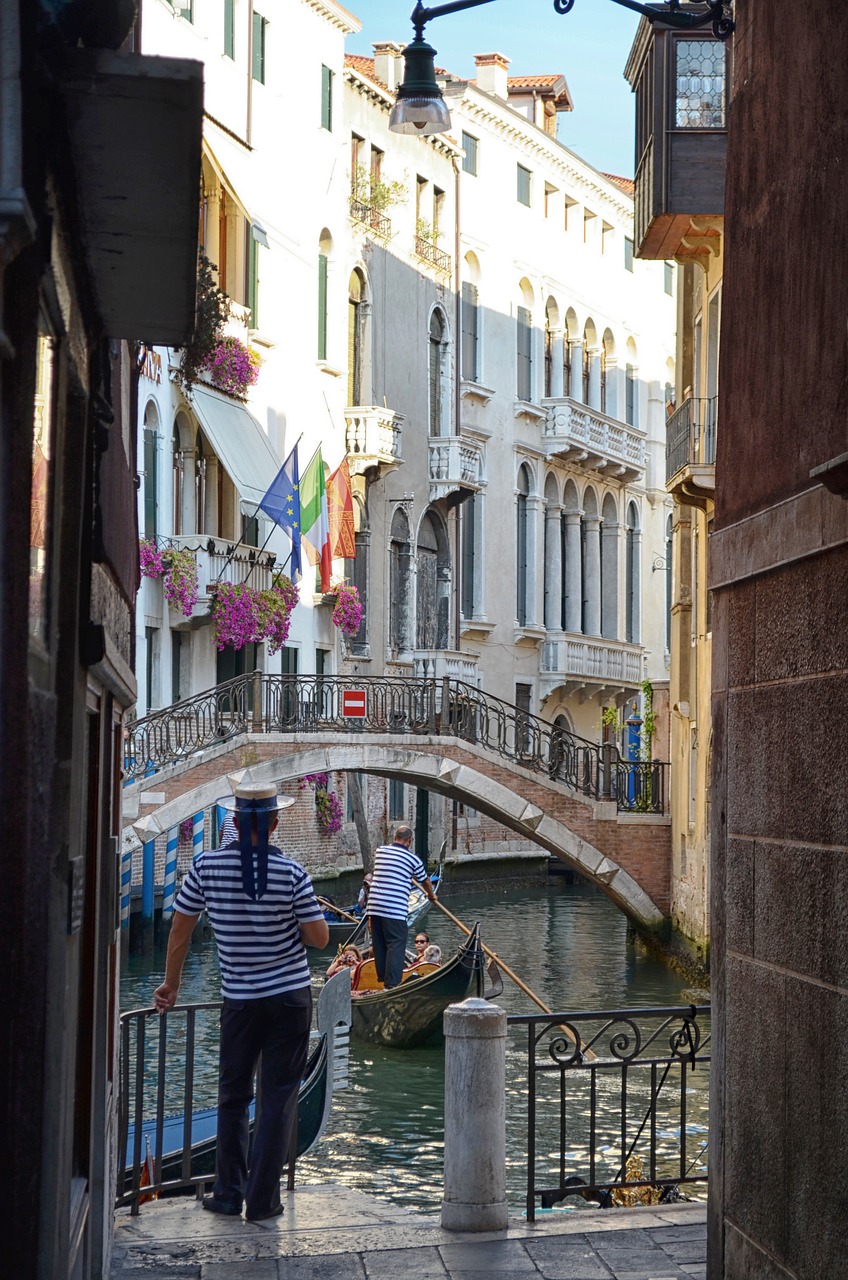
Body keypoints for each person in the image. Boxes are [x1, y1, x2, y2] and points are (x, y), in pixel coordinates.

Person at [152, 781, 329, 1222]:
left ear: (233, 821)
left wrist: (171, 985)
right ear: (273, 822)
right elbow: (320, 938)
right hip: (289, 999)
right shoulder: (292, 873)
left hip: (240, 1002)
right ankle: (263, 1201)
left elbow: (180, 929)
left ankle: (228, 1193)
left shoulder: (205, 867)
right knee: (278, 1099)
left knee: (233, 1097)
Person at [366, 825, 437, 989]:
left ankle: (382, 977)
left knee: (379, 943)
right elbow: (425, 881)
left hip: (374, 907)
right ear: (410, 841)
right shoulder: (413, 860)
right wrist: (431, 896)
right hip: (394, 909)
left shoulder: (380, 852)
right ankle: (391, 985)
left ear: (394, 837)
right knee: (396, 945)